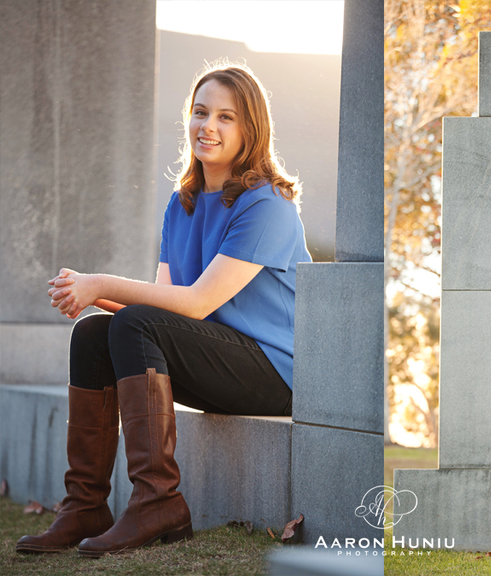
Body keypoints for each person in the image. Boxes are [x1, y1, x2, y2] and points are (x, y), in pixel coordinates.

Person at [16, 62, 311, 556]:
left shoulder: (267, 205)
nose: (208, 127)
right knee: (94, 332)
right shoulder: (185, 202)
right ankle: (85, 503)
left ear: (251, 129)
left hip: (278, 373)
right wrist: (87, 294)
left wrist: (102, 282)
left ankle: (158, 502)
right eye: (200, 113)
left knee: (128, 321)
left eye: (226, 117)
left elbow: (194, 303)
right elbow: (159, 306)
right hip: (218, 361)